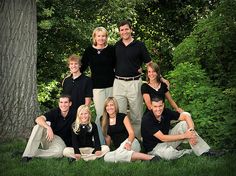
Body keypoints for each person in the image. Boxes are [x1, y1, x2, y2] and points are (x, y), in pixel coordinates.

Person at [113, 20, 152, 139]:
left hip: (134, 83)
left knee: (137, 115)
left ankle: (138, 140)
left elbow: (149, 63)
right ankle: (123, 140)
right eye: (122, 30)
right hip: (118, 83)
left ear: (131, 29)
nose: (124, 32)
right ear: (119, 32)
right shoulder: (116, 46)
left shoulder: (139, 45)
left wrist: (158, 77)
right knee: (119, 114)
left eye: (126, 29)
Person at [141, 96, 213, 160]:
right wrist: (185, 135)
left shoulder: (166, 111)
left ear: (163, 105)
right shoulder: (147, 119)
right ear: (151, 106)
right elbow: (162, 137)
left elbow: (185, 116)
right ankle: (187, 152)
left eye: (160, 106)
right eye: (155, 106)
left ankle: (204, 152)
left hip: (168, 140)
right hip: (155, 147)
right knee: (169, 155)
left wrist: (191, 132)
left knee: (184, 124)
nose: (158, 109)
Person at [81, 27, 116, 145]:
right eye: (98, 36)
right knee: (101, 114)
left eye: (103, 36)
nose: (101, 38)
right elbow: (82, 68)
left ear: (106, 37)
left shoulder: (111, 50)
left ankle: (113, 139)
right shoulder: (89, 51)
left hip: (112, 86)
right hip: (97, 88)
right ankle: (100, 142)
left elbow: (119, 65)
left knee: (113, 112)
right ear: (94, 37)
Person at [101, 97, 160, 162]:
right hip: (119, 148)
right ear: (105, 108)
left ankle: (150, 157)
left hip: (131, 142)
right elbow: (107, 137)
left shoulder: (123, 117)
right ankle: (136, 157)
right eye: (107, 105)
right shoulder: (103, 119)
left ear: (115, 106)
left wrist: (128, 143)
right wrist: (107, 148)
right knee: (106, 157)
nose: (109, 107)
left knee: (120, 154)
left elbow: (131, 133)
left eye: (111, 105)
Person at [22, 95, 76, 162]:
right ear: (59, 103)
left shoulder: (75, 114)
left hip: (60, 142)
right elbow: (38, 119)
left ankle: (32, 153)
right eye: (61, 102)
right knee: (39, 126)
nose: (63, 105)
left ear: (70, 104)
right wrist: (48, 127)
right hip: (49, 136)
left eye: (66, 102)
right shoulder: (55, 112)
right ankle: (26, 155)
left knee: (59, 153)